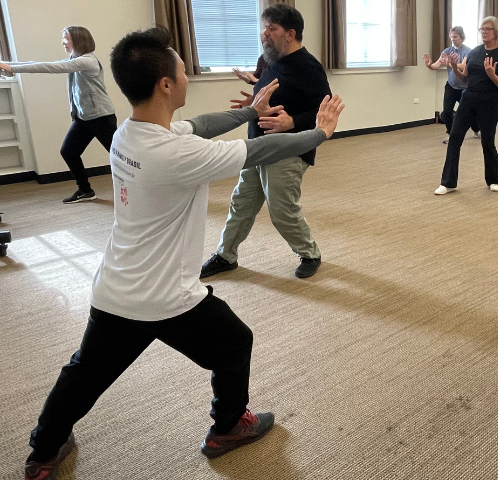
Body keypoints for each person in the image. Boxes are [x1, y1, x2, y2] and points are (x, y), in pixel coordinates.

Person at [22, 27, 344, 480]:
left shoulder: (128, 134)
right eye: (180, 67)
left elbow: (203, 125)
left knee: (82, 374)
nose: (186, 74)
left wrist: (249, 111)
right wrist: (320, 133)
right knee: (235, 342)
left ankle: (43, 451)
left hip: (115, 287)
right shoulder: (179, 153)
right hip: (168, 297)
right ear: (166, 84)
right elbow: (260, 149)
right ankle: (228, 427)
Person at [201, 4, 332, 279]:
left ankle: (310, 253)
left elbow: (325, 110)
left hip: (289, 150)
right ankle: (226, 255)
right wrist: (253, 101)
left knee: (282, 211)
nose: (265, 34)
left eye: (272, 28)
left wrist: (292, 122)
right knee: (242, 202)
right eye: (265, 27)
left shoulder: (309, 68)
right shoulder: (270, 60)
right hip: (257, 146)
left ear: (290, 33)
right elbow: (270, 88)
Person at [0, 26, 116, 204]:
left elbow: (52, 67)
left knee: (120, 156)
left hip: (101, 117)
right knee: (69, 152)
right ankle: (85, 190)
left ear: (78, 40)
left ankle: (141, 187)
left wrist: (10, 68)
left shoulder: (88, 61)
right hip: (83, 117)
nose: (62, 42)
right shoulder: (75, 58)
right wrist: (8, 66)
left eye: (66, 38)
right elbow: (37, 63)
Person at [434, 16, 498, 195]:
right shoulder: (475, 52)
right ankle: (447, 182)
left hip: (490, 102)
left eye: (488, 29)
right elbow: (465, 78)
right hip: (468, 98)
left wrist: (492, 75)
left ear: (496, 32)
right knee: (454, 137)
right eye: (482, 29)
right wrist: (455, 67)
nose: (484, 32)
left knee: (487, 141)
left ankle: (494, 179)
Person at [424, 26, 480, 144]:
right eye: (451, 37)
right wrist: (429, 65)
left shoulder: (468, 51)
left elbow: (464, 66)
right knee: (447, 111)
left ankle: (477, 130)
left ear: (461, 37)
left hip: (464, 87)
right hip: (451, 86)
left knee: (468, 112)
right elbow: (436, 65)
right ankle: (450, 134)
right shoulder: (447, 51)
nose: (453, 39)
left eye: (455, 37)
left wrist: (450, 63)